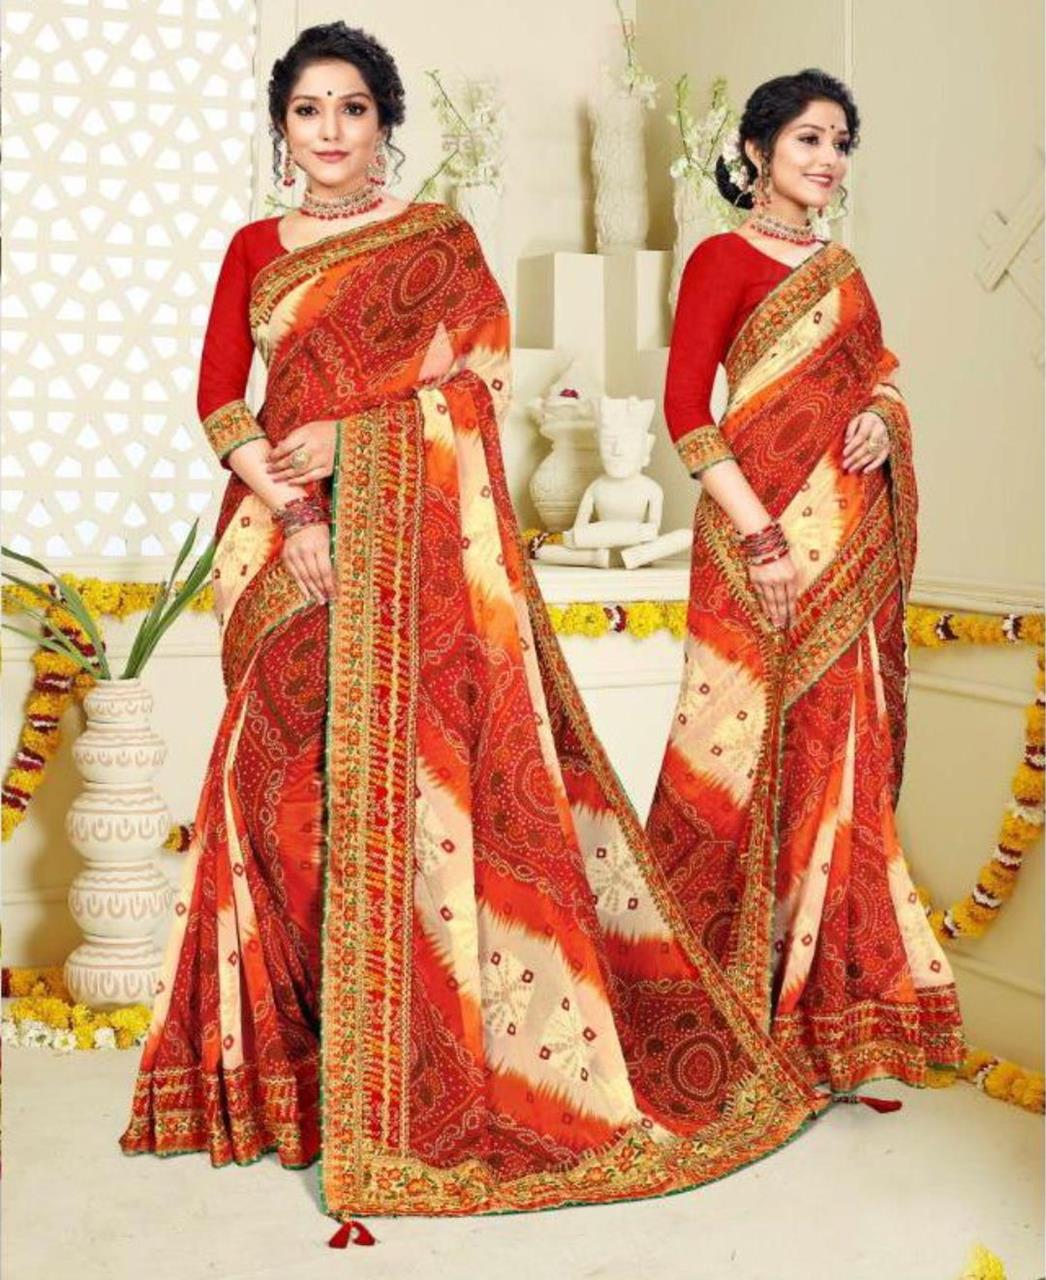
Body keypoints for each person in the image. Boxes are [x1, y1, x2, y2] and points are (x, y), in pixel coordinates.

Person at [118, 24, 826, 1231]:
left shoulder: (437, 240)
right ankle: (300, 1071)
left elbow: (477, 387)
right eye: (307, 109)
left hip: (414, 552)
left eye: (351, 107)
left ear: (384, 123)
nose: (329, 130)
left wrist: (356, 442)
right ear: (281, 126)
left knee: (418, 795)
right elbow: (220, 400)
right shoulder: (253, 248)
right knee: (279, 801)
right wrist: (297, 506)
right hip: (279, 544)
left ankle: (409, 1071)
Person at [646, 69, 965, 1100]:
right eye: (806, 140)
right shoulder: (721, 259)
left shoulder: (843, 271)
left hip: (846, 548)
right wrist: (762, 537)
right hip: (755, 543)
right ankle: (708, 1009)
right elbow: (685, 413)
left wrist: (882, 416)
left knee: (837, 765)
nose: (826, 160)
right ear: (756, 152)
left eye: (838, 143)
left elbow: (878, 374)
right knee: (729, 758)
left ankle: (830, 1023)